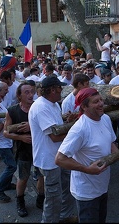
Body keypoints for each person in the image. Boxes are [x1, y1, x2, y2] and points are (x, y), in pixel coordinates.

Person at [55, 87, 119, 223]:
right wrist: (86, 169)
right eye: (95, 102)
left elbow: (110, 143)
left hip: (102, 186)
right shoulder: (80, 129)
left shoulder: (104, 118)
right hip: (86, 193)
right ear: (84, 106)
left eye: (101, 100)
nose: (101, 104)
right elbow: (59, 159)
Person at [29, 75, 77, 223]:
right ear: (51, 90)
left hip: (60, 155)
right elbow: (54, 136)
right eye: (59, 88)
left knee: (67, 188)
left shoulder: (54, 104)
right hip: (49, 159)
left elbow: (56, 126)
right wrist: (75, 132)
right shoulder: (40, 107)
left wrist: (65, 120)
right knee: (53, 197)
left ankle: (65, 216)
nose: (61, 90)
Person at [3, 81, 45, 217]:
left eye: (32, 91)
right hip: (23, 150)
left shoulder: (38, 108)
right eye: (26, 92)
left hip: (39, 148)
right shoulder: (12, 111)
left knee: (41, 176)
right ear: (19, 96)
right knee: (23, 178)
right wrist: (21, 138)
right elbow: (5, 132)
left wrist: (31, 126)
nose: (31, 94)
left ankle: (40, 198)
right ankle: (20, 202)